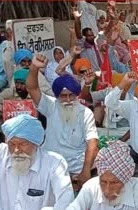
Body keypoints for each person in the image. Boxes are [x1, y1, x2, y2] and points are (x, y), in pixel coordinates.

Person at [26, 54, 99, 190]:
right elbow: (32, 88)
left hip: (76, 169)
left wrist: (85, 171)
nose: (68, 99)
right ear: (57, 95)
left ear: (76, 94)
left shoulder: (85, 113)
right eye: (63, 96)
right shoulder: (51, 105)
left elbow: (92, 143)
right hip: (51, 166)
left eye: (71, 95)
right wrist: (34, 67)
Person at [0, 114, 74, 210]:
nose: (16, 150)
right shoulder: (1, 154)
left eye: (22, 144)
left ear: (35, 143)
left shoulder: (54, 163)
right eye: (12, 144)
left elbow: (66, 200)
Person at [64, 142, 138, 210]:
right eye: (103, 182)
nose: (107, 190)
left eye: (114, 183)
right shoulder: (91, 187)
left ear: (125, 179)